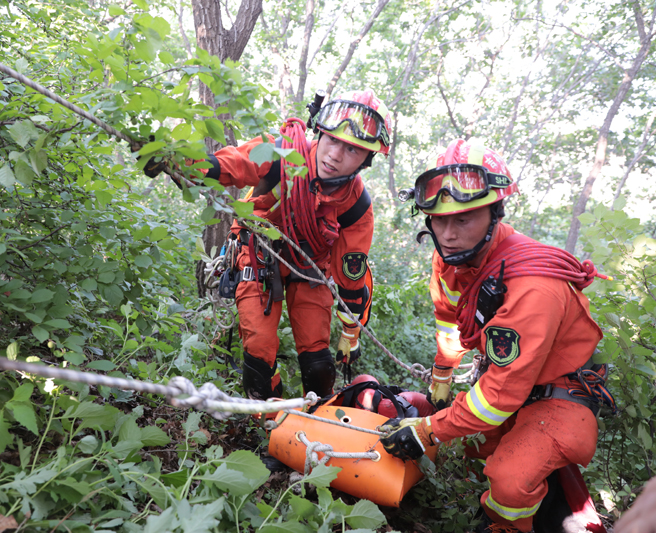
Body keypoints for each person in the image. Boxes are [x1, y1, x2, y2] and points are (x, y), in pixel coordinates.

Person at [379, 139, 613, 532]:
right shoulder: (453, 260)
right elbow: (448, 320)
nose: (448, 233)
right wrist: (441, 380)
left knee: (508, 479)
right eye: (439, 219)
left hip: (558, 396)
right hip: (506, 382)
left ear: (494, 213)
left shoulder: (533, 286)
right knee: (474, 455)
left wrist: (427, 429)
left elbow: (502, 394)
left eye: (464, 219)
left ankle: (507, 524)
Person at [147, 89, 390, 400]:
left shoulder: (355, 205)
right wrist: (178, 160)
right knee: (258, 354)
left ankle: (316, 418)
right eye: (333, 141)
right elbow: (229, 166)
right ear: (320, 133)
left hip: (312, 267)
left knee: (318, 364)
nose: (335, 155)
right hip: (258, 255)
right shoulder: (281, 153)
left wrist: (351, 331)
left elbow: (351, 277)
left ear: (366, 160)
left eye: (353, 150)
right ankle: (268, 418)